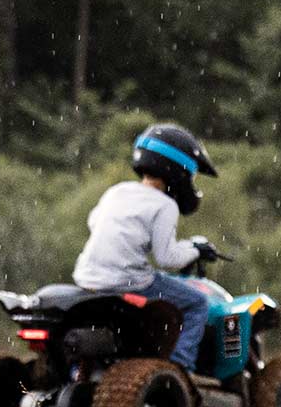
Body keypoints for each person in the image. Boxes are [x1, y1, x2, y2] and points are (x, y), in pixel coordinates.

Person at [73, 122, 233, 370]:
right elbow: (167, 258)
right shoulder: (164, 205)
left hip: (87, 278)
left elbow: (93, 222)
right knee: (197, 304)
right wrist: (196, 249)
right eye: (192, 175)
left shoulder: (118, 191)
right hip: (128, 280)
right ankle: (179, 368)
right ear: (180, 170)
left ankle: (80, 370)